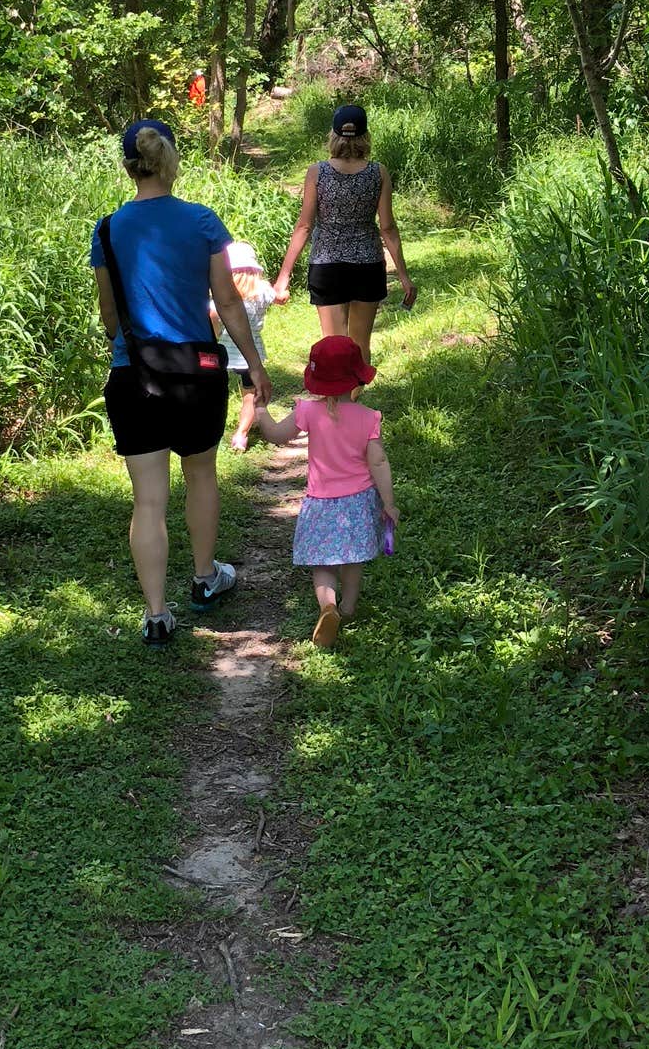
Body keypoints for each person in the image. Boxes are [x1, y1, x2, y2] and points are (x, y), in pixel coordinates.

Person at [92, 118, 273, 647]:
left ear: (130, 167)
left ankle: (155, 615)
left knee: (147, 499)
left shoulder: (106, 231)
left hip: (134, 375)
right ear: (171, 162)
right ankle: (204, 579)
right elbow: (230, 302)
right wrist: (256, 367)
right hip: (196, 374)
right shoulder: (200, 222)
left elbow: (109, 317)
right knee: (200, 474)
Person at [246, 334, 397, 649]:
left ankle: (327, 606)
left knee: (323, 564)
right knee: (352, 561)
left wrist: (261, 412)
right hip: (358, 503)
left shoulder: (308, 412)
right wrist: (389, 503)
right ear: (356, 377)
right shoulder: (368, 417)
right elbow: (379, 461)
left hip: (320, 504)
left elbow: (276, 436)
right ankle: (348, 608)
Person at [272, 103, 416, 363]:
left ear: (334, 135)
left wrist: (283, 277)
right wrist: (404, 276)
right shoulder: (378, 172)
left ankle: (336, 403)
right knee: (360, 346)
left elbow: (305, 225)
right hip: (367, 265)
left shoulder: (317, 172)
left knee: (334, 346)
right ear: (365, 136)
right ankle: (353, 401)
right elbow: (387, 227)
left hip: (327, 266)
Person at [213, 242, 275, 454]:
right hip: (251, 355)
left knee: (220, 390)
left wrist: (215, 333)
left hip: (226, 353)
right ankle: (242, 433)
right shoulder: (264, 291)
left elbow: (212, 314)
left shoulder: (222, 297)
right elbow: (279, 296)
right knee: (250, 393)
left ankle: (218, 428)